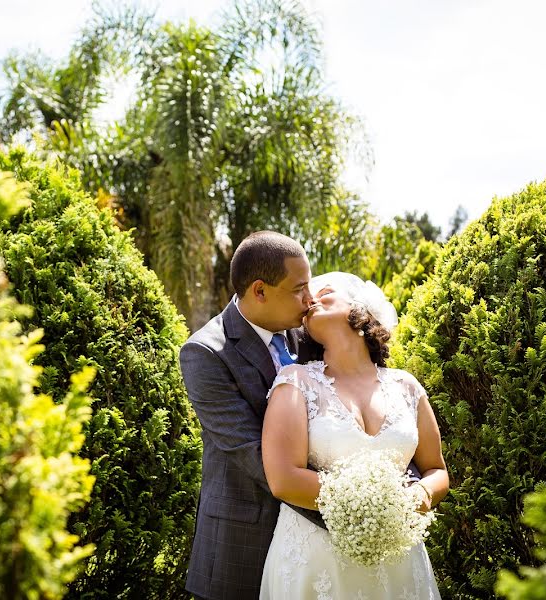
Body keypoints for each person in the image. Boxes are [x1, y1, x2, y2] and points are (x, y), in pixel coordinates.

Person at [259, 271, 449, 599]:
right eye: (304, 298)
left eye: (325, 291)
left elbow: (436, 470)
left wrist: (411, 501)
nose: (310, 300)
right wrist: (367, 502)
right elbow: (283, 479)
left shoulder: (406, 386)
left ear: (360, 308)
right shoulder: (295, 381)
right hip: (317, 564)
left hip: (399, 560)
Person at [179, 231, 326, 600]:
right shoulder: (205, 353)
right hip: (241, 546)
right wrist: (349, 513)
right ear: (259, 291)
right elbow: (253, 454)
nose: (309, 300)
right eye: (299, 289)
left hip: (312, 556)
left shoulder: (308, 336)